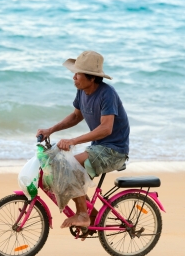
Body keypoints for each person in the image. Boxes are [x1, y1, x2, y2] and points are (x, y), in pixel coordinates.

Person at [36, 50, 130, 236]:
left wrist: (73, 141)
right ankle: (92, 216)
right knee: (61, 172)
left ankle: (82, 214)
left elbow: (106, 128)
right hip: (98, 148)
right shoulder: (82, 91)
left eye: (78, 74)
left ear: (92, 78)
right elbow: (75, 116)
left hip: (113, 151)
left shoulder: (107, 94)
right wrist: (50, 130)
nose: (74, 77)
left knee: (68, 167)